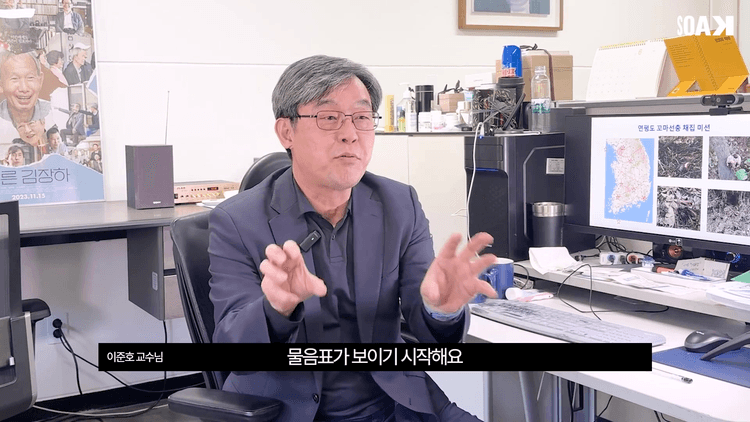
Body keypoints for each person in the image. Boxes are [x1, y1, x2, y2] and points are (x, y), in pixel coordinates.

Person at [208, 55, 497, 422]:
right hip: (289, 412)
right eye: (329, 117)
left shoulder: (399, 204)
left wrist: (441, 310)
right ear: (287, 132)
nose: (350, 133)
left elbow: (429, 335)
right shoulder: (237, 221)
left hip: (396, 404)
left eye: (362, 117)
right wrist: (275, 310)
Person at [0, 51, 50, 127]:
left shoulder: (55, 115)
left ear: (40, 80)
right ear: (1, 85)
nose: (24, 88)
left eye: (30, 77)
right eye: (15, 78)